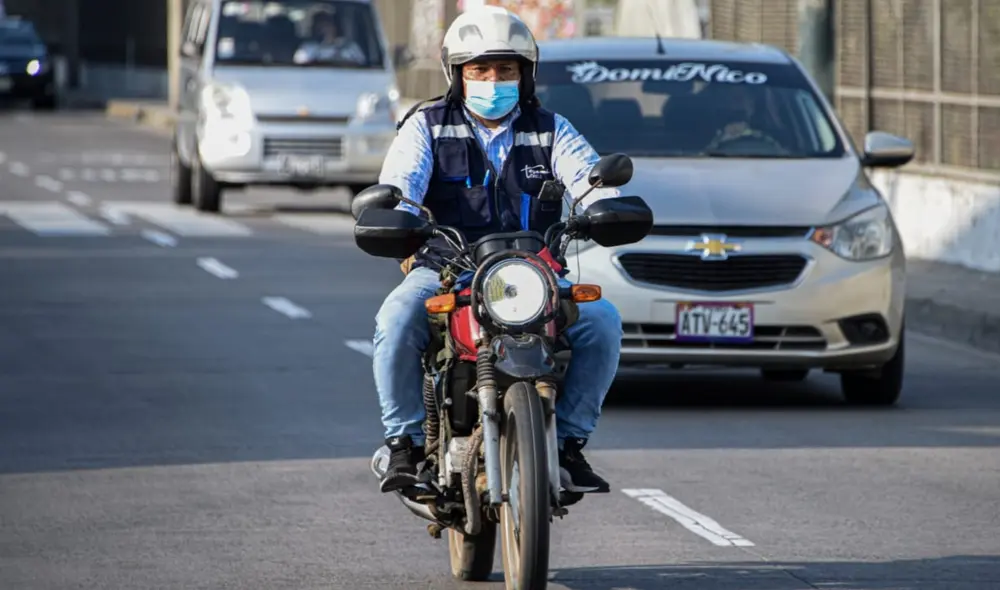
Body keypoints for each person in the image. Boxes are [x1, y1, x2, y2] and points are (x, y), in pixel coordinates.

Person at [372, 5, 623, 496]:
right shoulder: (426, 126)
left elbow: (591, 181)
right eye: (479, 70)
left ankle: (569, 445)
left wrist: (606, 206)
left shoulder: (553, 129)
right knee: (396, 318)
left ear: (525, 75)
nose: (493, 80)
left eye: (505, 69)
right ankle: (403, 445)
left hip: (536, 272)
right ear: (457, 75)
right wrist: (397, 215)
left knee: (604, 322)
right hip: (447, 269)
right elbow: (399, 187)